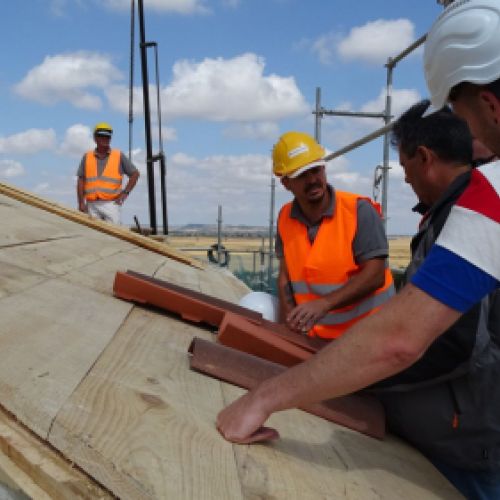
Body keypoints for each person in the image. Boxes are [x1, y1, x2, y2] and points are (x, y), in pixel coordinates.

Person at [217, 1, 499, 497]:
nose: (471, 142)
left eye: (464, 118)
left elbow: (402, 340)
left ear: (491, 105)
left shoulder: (484, 198)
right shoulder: (289, 219)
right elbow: (289, 275)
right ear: (286, 184)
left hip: (460, 430)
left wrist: (265, 398)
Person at [371, 99, 500, 499]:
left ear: (424, 157)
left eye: (407, 173)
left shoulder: (465, 221)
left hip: (470, 441)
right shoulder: (448, 212)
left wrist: (369, 373)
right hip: (456, 429)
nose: (408, 183)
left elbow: (452, 340)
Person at [273, 131, 394, 339]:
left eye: (316, 170)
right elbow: (285, 277)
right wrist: (288, 330)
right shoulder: (285, 217)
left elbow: (375, 275)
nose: (312, 180)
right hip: (317, 340)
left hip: (370, 336)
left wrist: (325, 303)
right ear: (286, 183)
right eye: (302, 175)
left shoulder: (359, 211)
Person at [77, 122, 139, 225]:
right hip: (92, 204)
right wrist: (81, 203)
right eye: (101, 136)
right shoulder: (87, 157)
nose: (105, 139)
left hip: (111, 204)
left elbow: (135, 174)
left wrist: (125, 193)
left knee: (115, 234)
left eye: (107, 137)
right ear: (95, 138)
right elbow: (81, 180)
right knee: (94, 234)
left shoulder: (118, 156)